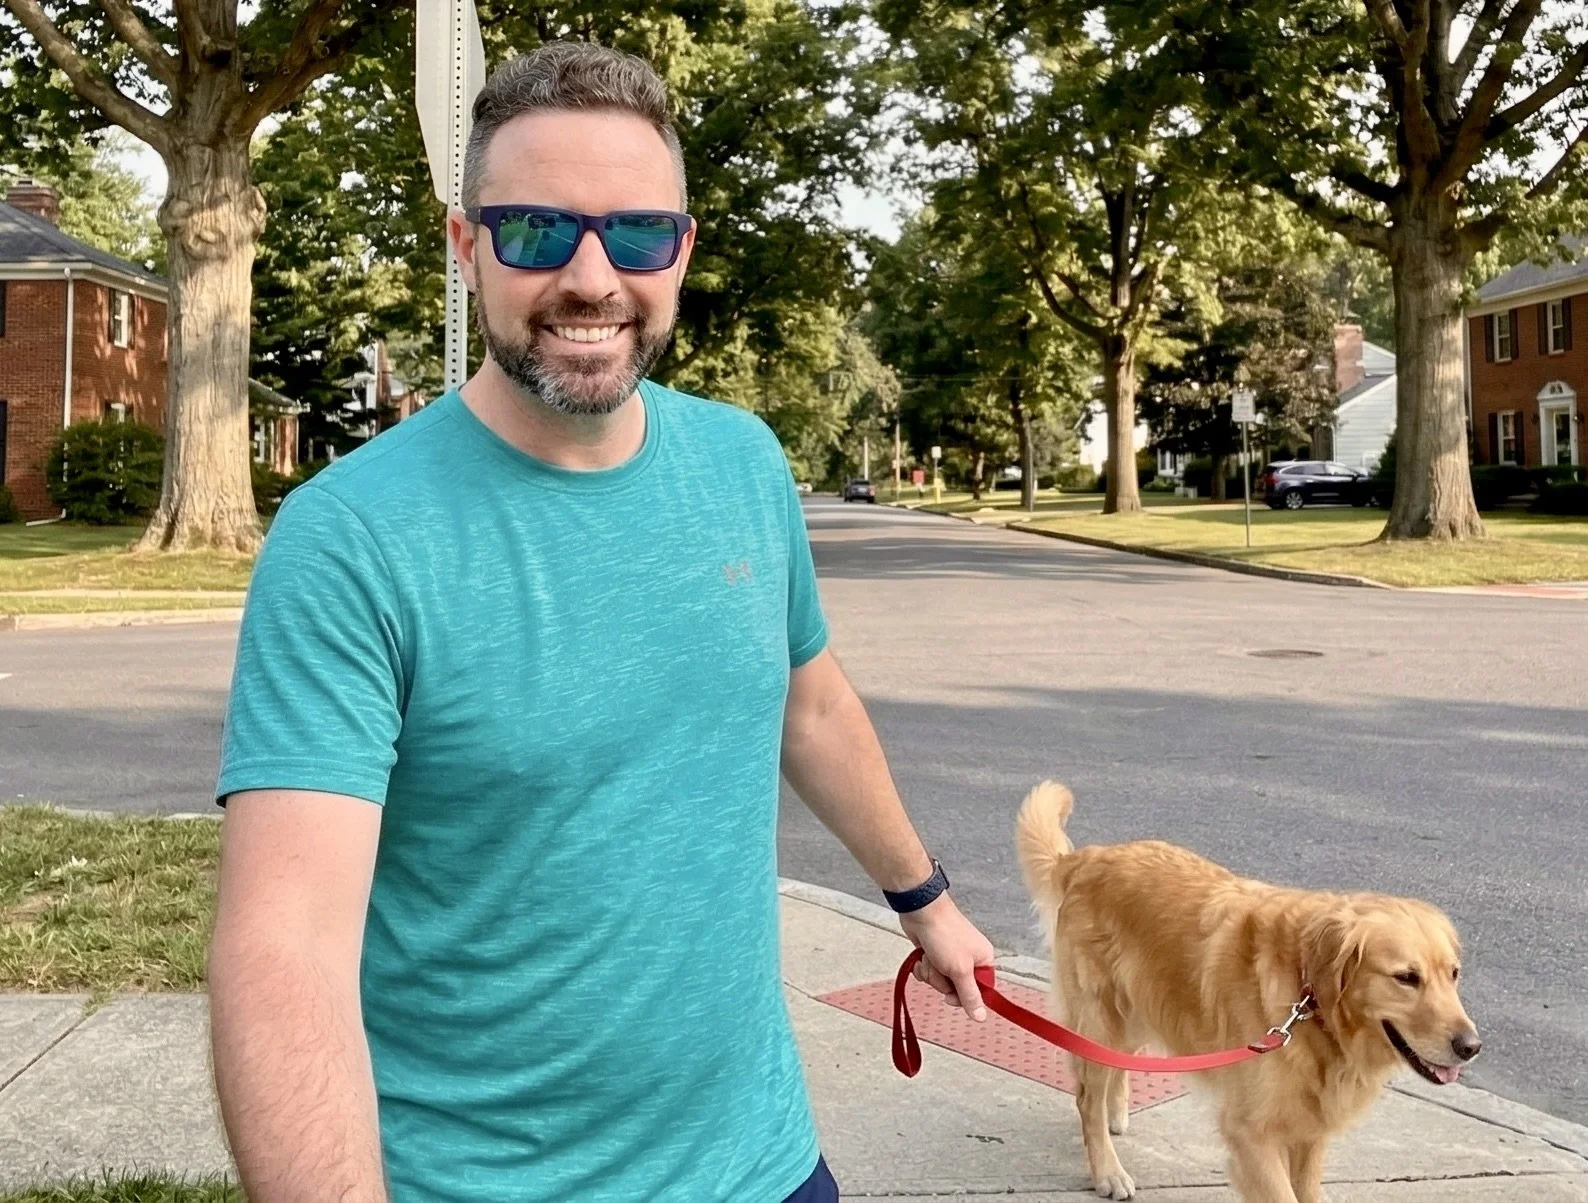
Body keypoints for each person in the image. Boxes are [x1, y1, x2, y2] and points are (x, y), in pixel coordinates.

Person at [207, 40, 994, 1203]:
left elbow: (810, 703)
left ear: (679, 250)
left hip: (763, 1166)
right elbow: (285, 951)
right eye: (535, 231)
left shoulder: (742, 463)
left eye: (634, 233)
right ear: (464, 245)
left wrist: (925, 902)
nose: (591, 277)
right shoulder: (352, 538)